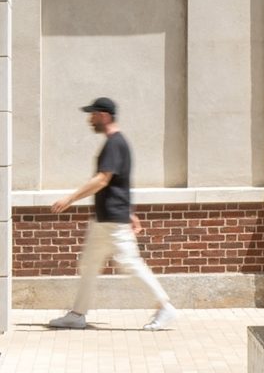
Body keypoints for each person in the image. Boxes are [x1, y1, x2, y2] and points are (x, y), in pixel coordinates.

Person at [46, 96, 176, 331]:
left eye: (93, 115)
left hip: (112, 221)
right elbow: (122, 182)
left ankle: (165, 306)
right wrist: (130, 213)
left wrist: (70, 199)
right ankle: (77, 314)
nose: (90, 120)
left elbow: (103, 180)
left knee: (130, 263)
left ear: (104, 116)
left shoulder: (115, 143)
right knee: (89, 265)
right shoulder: (116, 143)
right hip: (106, 219)